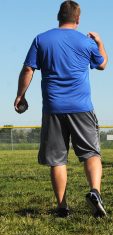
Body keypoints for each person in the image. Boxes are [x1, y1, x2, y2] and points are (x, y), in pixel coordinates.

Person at [14, 0, 108, 218]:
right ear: (78, 19)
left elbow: (29, 68)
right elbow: (102, 64)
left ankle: (63, 206)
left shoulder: (42, 39)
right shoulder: (85, 42)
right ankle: (95, 191)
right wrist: (100, 42)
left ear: (59, 16)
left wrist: (20, 95)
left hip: (53, 107)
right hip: (82, 107)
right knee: (91, 154)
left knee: (57, 159)